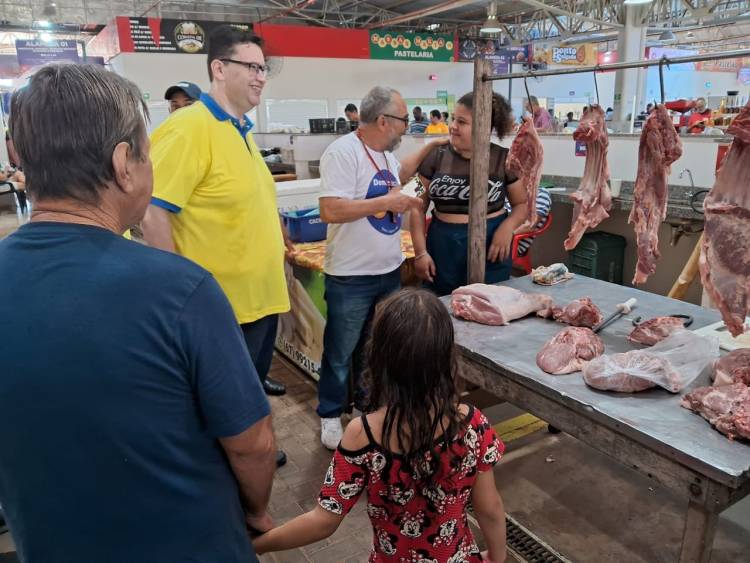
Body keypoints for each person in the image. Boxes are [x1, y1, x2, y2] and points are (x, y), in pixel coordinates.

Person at [0, 63, 276, 562]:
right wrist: (256, 511)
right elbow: (252, 443)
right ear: (124, 162)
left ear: (18, 155)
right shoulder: (180, 290)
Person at [254, 289, 507, 562]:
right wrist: (496, 556)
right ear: (447, 356)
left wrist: (258, 544)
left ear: (379, 358)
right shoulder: (473, 425)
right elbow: (489, 508)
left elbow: (323, 521)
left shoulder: (362, 434)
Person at [141, 26, 291, 465]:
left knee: (244, 402)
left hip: (259, 301)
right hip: (221, 309)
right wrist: (173, 296)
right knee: (218, 412)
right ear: (219, 68)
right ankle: (228, 481)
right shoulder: (189, 127)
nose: (261, 76)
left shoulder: (239, 130)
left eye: (264, 69)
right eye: (252, 67)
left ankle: (250, 457)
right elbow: (153, 210)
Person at [315, 86, 435, 449]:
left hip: (388, 271)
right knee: (340, 351)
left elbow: (403, 183)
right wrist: (386, 201)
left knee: (376, 349)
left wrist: (430, 154)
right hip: (351, 276)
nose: (405, 128)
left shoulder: (384, 157)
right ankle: (330, 413)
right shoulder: (342, 152)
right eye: (403, 121)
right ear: (384, 121)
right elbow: (330, 209)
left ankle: (366, 408)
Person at [410, 92, 529, 296]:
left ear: (484, 127)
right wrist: (420, 253)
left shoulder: (504, 159)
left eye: (462, 121)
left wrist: (507, 228)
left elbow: (522, 204)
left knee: (489, 306)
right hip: (442, 245)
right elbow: (415, 205)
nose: (453, 126)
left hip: (492, 244)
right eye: (453, 118)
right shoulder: (434, 156)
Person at [504, 187, 552, 256]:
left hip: (511, 244)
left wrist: (504, 236)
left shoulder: (540, 193)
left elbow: (529, 226)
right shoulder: (511, 190)